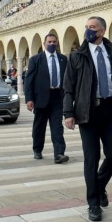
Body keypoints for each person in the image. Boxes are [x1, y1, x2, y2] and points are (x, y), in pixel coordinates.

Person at [63, 17, 112, 222]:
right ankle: (93, 203)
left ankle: (99, 186)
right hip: (87, 112)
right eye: (86, 27)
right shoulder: (77, 56)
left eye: (92, 28)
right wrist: (68, 113)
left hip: (110, 110)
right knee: (91, 158)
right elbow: (68, 87)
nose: (88, 30)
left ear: (102, 31)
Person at [24, 34, 69, 164]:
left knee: (57, 127)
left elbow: (68, 78)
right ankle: (37, 149)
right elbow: (29, 80)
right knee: (39, 126)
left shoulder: (63, 59)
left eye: (54, 42)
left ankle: (59, 153)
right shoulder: (36, 60)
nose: (52, 44)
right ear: (44, 44)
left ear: (57, 43)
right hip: (41, 98)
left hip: (57, 97)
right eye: (49, 42)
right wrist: (29, 99)